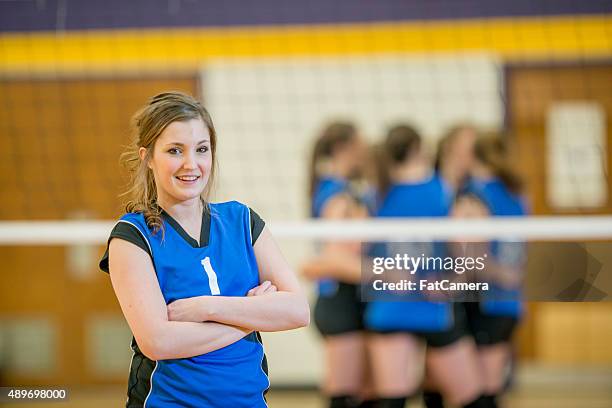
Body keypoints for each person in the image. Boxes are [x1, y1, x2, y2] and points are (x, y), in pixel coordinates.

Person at [98, 91, 309, 407]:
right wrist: (253, 315)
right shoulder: (132, 237)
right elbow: (158, 341)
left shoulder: (242, 220)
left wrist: (208, 307)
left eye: (201, 149)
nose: (190, 164)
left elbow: (297, 310)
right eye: (174, 150)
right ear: (148, 158)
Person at [365, 124, 488, 408]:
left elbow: (347, 253)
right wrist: (454, 281)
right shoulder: (441, 190)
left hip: (392, 306)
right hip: (430, 305)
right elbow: (468, 251)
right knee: (474, 400)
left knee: (392, 401)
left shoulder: (374, 194)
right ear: (419, 149)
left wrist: (382, 271)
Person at [301, 122, 374, 408]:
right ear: (345, 148)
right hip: (339, 300)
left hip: (352, 298)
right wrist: (390, 274)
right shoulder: (336, 195)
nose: (366, 150)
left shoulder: (347, 189)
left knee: (365, 390)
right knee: (344, 393)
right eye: (360, 143)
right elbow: (334, 258)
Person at [461, 132, 528, 407]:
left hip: (486, 299)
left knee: (481, 391)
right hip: (510, 301)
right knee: (490, 387)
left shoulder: (475, 192)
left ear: (473, 156)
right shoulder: (517, 191)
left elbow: (472, 251)